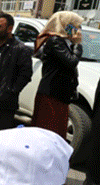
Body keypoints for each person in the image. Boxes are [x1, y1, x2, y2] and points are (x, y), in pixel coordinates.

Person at [31, 11, 83, 139]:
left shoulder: (64, 41)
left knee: (56, 134)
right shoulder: (55, 40)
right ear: (65, 25)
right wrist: (77, 45)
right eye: (75, 26)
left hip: (60, 95)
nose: (77, 30)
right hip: (51, 94)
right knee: (48, 133)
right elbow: (71, 62)